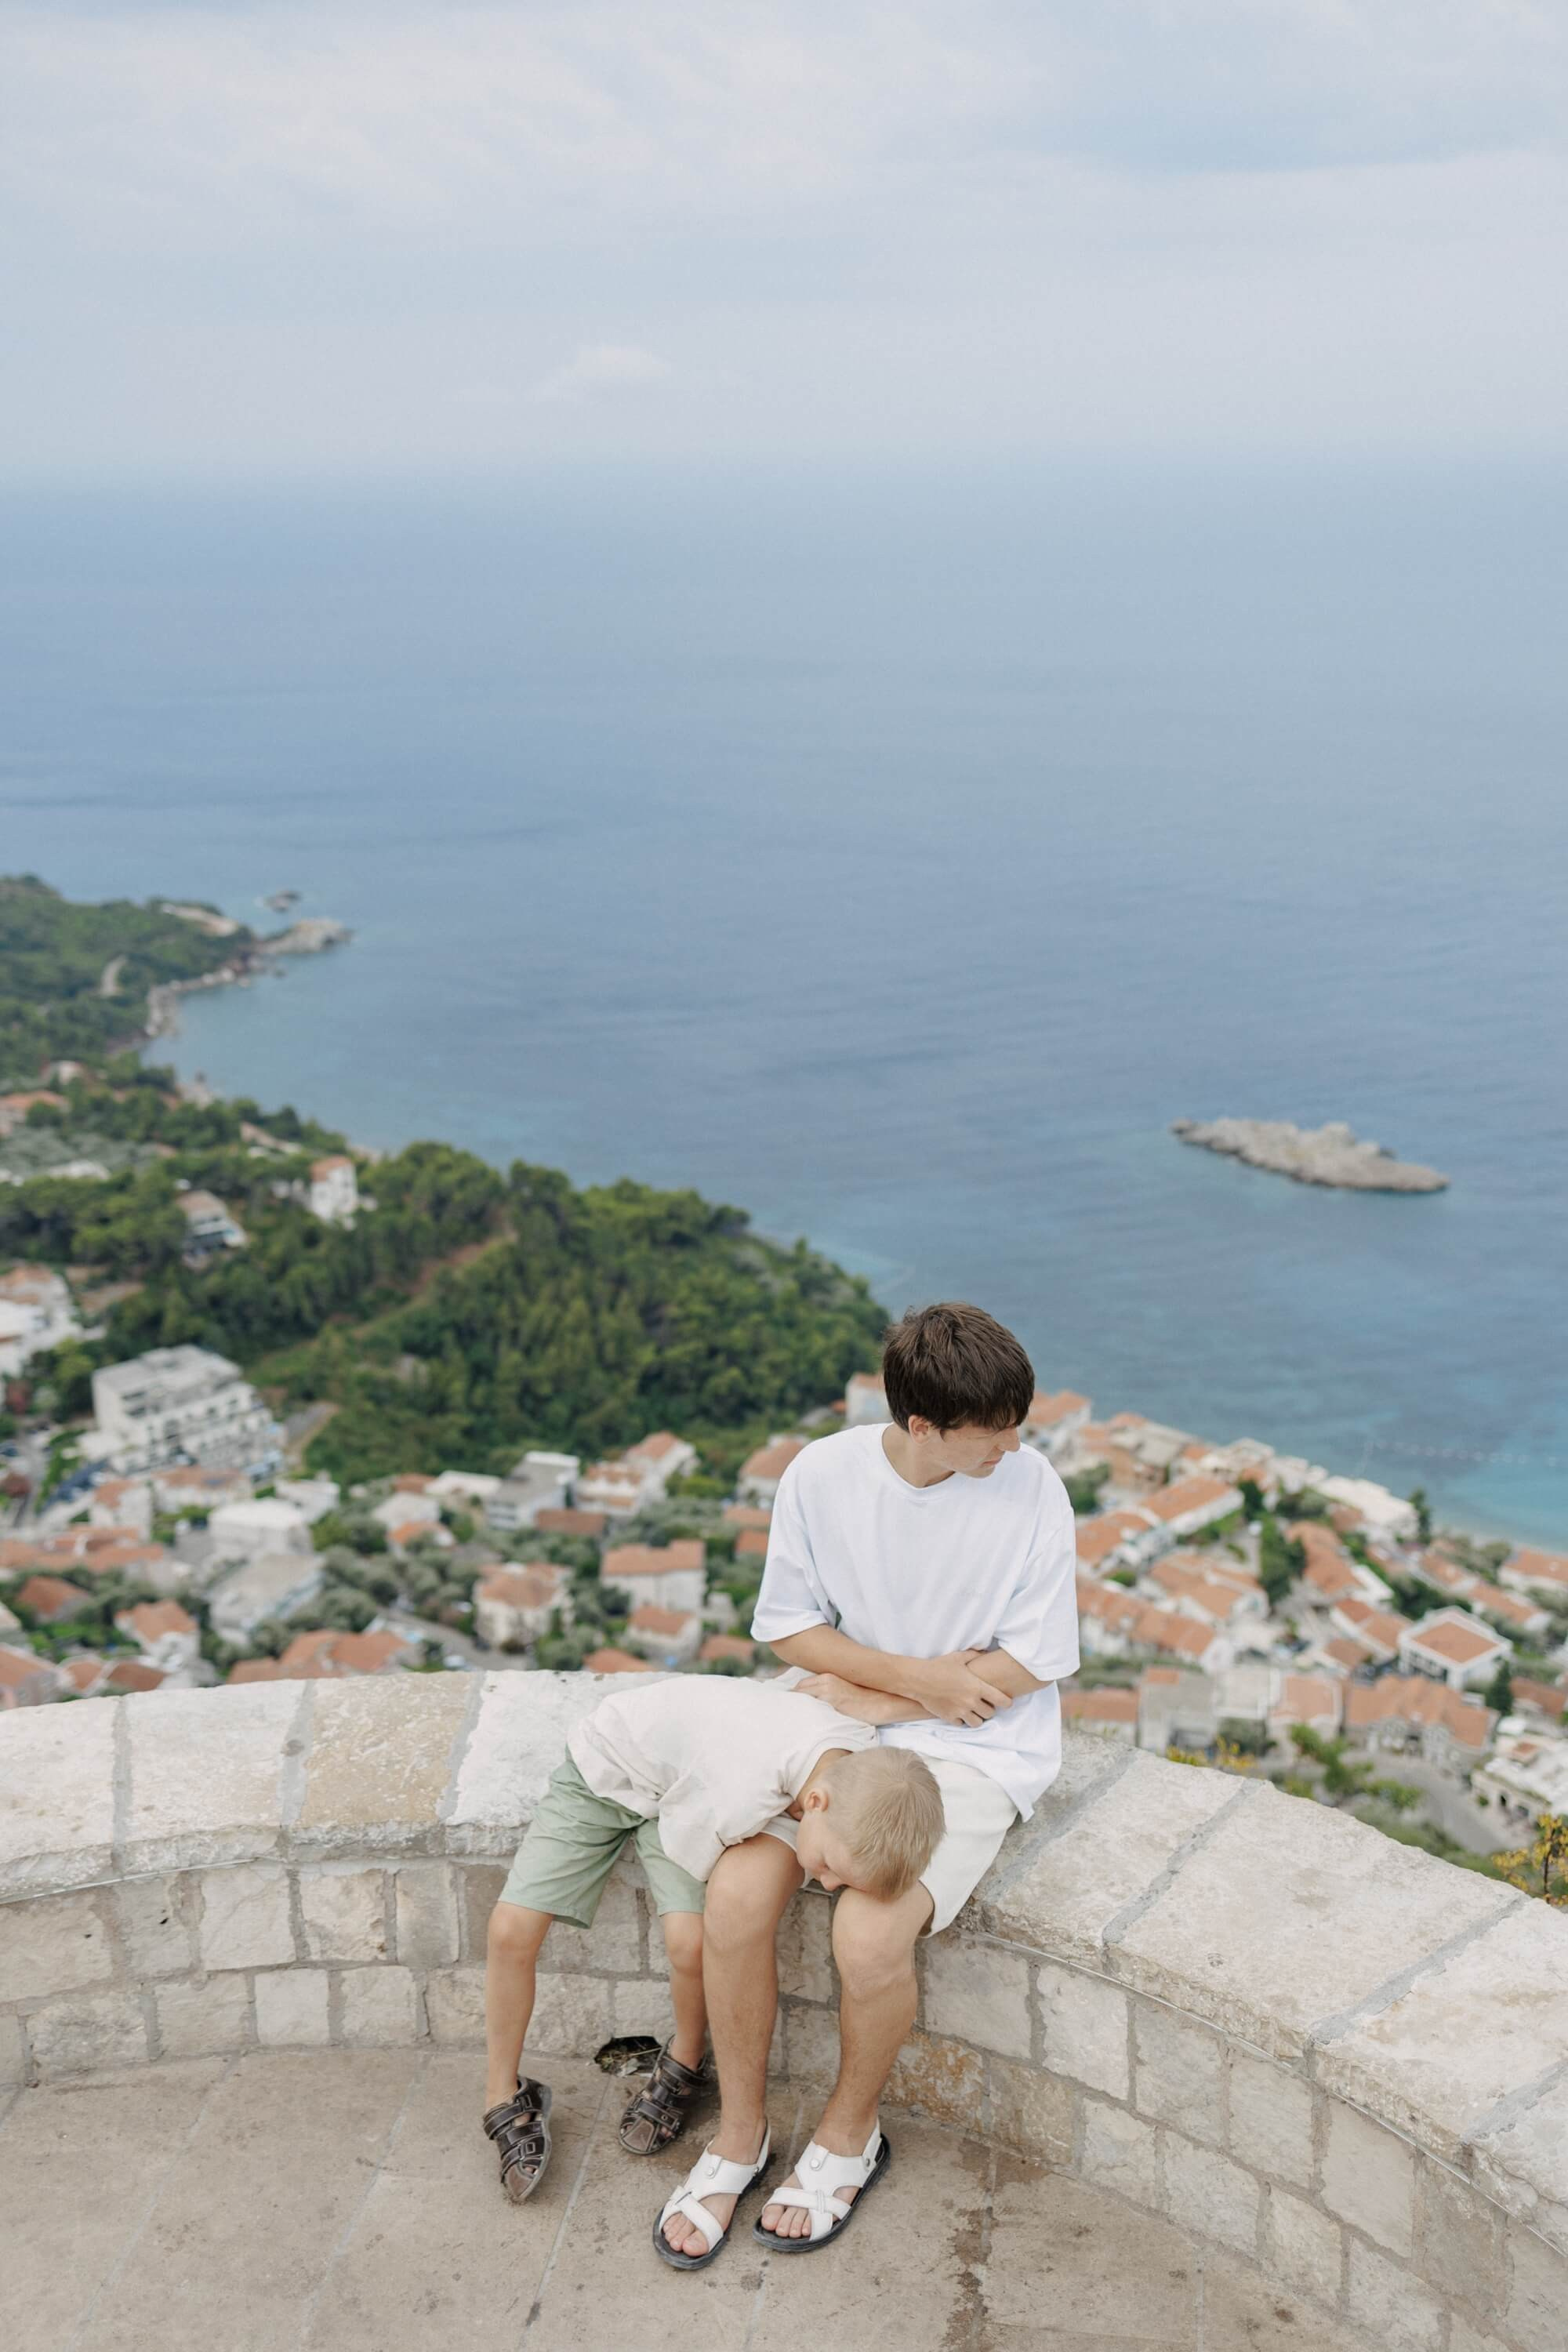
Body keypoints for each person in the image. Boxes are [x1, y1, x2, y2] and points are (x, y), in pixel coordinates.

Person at [658, 1301, 1078, 2262]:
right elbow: (789, 1627)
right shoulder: (823, 1474)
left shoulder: (1031, 1487)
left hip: (978, 1745)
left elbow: (1035, 1660)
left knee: (869, 1926)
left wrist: (892, 1695)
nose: (1014, 1446)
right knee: (735, 1894)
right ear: (921, 1426)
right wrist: (916, 1678)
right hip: (846, 1715)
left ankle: (849, 2134)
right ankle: (739, 2133)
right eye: (994, 1432)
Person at [481, 1668, 943, 2249]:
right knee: (511, 1930)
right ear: (815, 1803)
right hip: (615, 1768)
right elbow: (694, 1830)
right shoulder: (742, 1793)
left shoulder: (851, 1754)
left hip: (679, 1786)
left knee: (689, 1941)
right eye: (827, 1867)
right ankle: (503, 2091)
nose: (823, 1884)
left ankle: (685, 2061)